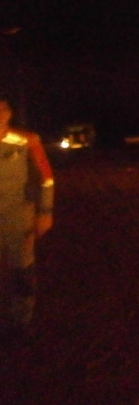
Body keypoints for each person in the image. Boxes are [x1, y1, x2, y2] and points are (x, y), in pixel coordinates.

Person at [0, 95, 54, 341]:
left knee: (22, 269)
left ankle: (21, 321)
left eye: (1, 110)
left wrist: (44, 212)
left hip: (18, 215)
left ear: (8, 113)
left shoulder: (26, 140)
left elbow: (46, 179)